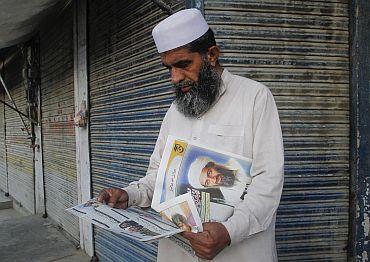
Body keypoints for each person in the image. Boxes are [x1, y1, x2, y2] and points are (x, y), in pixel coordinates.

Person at [98, 8, 284, 262]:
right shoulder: (175, 111)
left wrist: (229, 232)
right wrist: (130, 194)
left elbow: (268, 181)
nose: (175, 78)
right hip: (179, 251)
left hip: (240, 252)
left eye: (183, 64)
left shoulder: (254, 98)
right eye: (169, 68)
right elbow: (159, 176)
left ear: (212, 55)